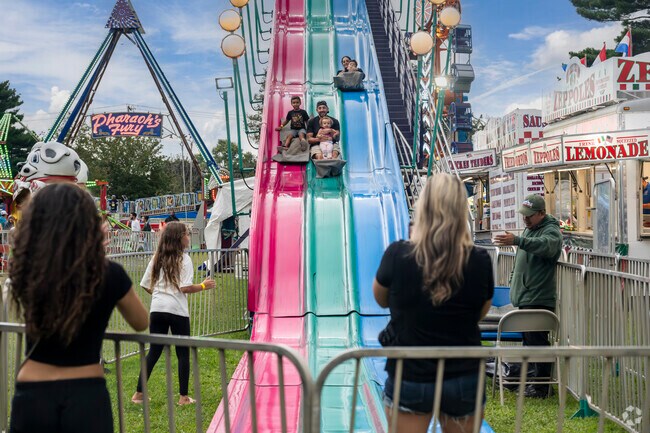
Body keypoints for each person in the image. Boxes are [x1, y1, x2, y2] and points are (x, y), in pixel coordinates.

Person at [8, 183, 149, 433]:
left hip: (32, 389)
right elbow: (140, 321)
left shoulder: (28, 269)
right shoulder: (108, 273)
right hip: (85, 389)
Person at [373, 173, 494, 433]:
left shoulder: (398, 254)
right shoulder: (479, 260)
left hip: (410, 370)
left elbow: (380, 299)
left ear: (423, 207)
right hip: (463, 371)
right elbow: (480, 312)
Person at [132, 222, 216, 406]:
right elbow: (184, 287)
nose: (189, 237)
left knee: (154, 351)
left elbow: (145, 285)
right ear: (179, 238)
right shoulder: (184, 259)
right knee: (182, 352)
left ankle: (138, 394)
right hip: (177, 310)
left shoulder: (157, 257)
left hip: (158, 309)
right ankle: (183, 397)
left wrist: (160, 296)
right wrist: (203, 285)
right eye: (187, 234)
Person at [494, 194, 562, 398]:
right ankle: (534, 382)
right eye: (524, 215)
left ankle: (542, 387)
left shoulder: (551, 230)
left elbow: (547, 246)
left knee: (538, 343)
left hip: (538, 299)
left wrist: (518, 240)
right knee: (531, 342)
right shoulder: (531, 228)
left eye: (530, 216)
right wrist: (515, 278)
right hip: (527, 298)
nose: (525, 219)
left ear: (541, 214)